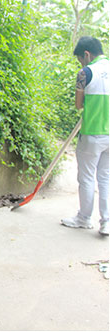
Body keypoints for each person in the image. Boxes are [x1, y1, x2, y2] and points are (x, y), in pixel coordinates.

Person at [61, 36, 109, 236]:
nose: (81, 63)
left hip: (92, 133)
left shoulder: (85, 73)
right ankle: (107, 222)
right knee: (105, 177)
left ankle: (84, 218)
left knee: (87, 177)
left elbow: (79, 105)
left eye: (80, 59)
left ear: (86, 54)